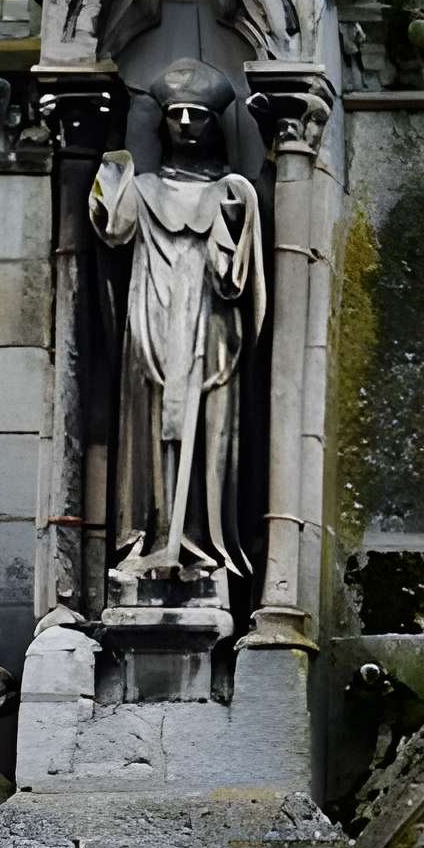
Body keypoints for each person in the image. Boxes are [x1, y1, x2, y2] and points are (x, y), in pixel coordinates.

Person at [90, 59, 266, 599]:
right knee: (148, 431)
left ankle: (202, 540)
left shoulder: (233, 191)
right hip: (151, 322)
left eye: (197, 115)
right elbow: (112, 231)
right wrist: (112, 166)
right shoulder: (141, 189)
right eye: (175, 115)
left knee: (210, 432)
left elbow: (235, 278)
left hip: (210, 335)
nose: (186, 124)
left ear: (216, 123)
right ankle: (148, 535)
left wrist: (233, 222)